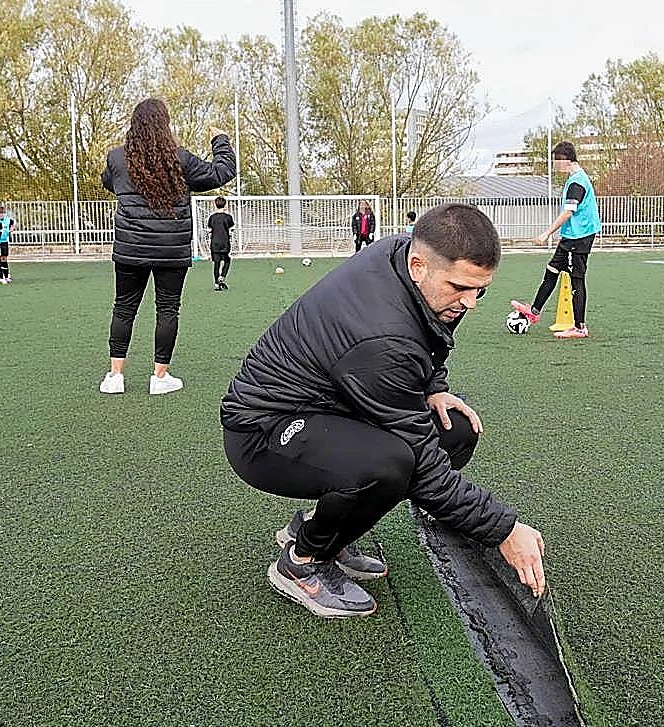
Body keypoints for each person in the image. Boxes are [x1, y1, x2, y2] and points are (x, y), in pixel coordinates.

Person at [222, 203, 547, 619]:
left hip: (332, 403)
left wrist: (434, 387)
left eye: (479, 290)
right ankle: (301, 562)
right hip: (264, 432)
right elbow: (426, 471)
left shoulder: (406, 260)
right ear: (418, 266)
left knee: (455, 430)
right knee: (391, 465)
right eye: (459, 288)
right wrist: (503, 528)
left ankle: (321, 529)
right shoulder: (383, 337)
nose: (470, 303)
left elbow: (431, 338)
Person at [99, 97, 235, 395]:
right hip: (170, 250)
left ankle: (114, 377)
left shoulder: (117, 158)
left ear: (134, 124)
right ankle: (160, 378)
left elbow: (110, 183)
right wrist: (220, 140)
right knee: (167, 309)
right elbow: (222, 172)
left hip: (130, 248)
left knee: (123, 308)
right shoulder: (181, 160)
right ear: (165, 124)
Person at [512, 141, 602, 339]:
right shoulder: (574, 179)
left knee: (577, 280)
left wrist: (547, 233)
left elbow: (569, 212)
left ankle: (579, 328)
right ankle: (533, 312)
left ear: (564, 160)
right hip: (570, 237)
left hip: (579, 238)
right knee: (551, 270)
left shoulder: (577, 182)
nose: (554, 166)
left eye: (555, 161)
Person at [206, 195, 234, 291]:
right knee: (227, 261)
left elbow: (209, 229)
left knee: (216, 263)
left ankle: (217, 284)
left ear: (215, 205)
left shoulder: (212, 217)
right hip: (225, 242)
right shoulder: (228, 217)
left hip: (215, 243)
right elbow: (231, 229)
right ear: (225, 205)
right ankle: (222, 276)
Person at [0, 203, 15, 283]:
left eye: (2, 213)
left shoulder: (8, 220)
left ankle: (6, 275)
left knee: (4, 258)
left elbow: (13, 224)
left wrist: (11, 230)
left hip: (4, 242)